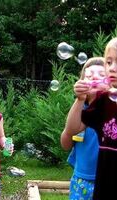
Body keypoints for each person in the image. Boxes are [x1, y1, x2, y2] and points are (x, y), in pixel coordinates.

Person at [63, 37, 117, 199]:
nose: (112, 68)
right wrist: (80, 99)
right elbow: (72, 130)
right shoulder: (104, 106)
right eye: (109, 62)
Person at [61, 57, 106, 200]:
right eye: (89, 75)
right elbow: (66, 143)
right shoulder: (80, 110)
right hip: (82, 181)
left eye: (102, 75)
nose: (95, 78)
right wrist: (80, 99)